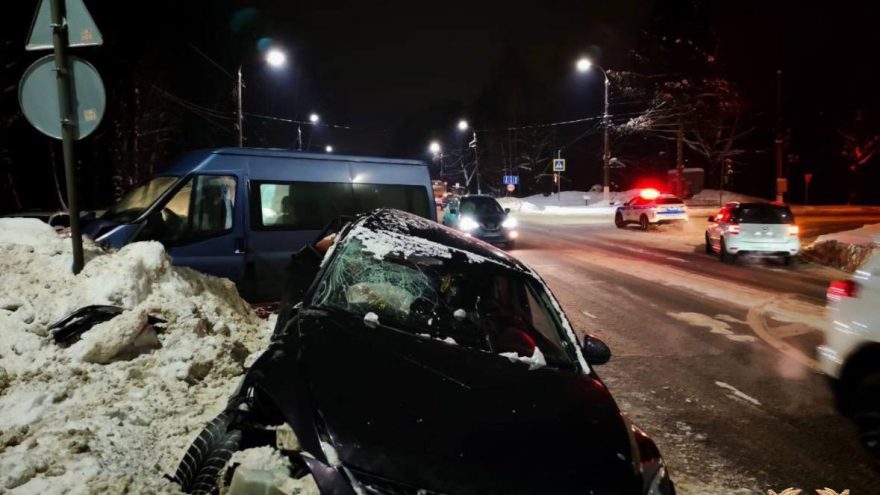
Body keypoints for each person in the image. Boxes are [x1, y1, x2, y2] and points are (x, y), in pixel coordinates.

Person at [273, 234, 336, 336]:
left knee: (291, 312)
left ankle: (281, 334)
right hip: (302, 273)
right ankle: (281, 337)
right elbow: (322, 245)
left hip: (303, 270)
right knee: (291, 312)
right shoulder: (335, 239)